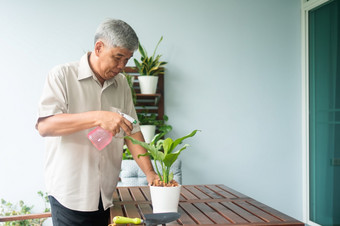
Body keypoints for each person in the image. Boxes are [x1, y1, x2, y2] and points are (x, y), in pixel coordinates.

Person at [36, 19, 158, 226]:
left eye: (126, 60)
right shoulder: (62, 76)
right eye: (117, 57)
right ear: (99, 48)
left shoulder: (122, 84)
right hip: (70, 196)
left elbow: (133, 131)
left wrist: (150, 173)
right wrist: (98, 117)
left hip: (106, 196)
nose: (121, 67)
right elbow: (45, 126)